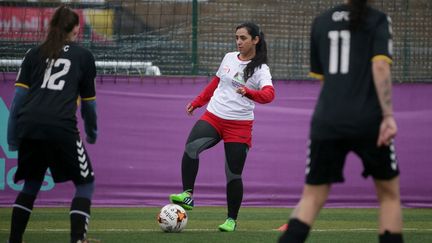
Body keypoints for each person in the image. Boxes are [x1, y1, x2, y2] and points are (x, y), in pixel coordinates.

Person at [278, 0, 403, 242]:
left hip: (328, 120)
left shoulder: (321, 22)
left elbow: (324, 78)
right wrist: (388, 116)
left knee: (311, 198)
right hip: (370, 122)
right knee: (389, 196)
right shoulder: (378, 19)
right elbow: (380, 67)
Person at [169, 22, 275, 232]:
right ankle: (187, 195)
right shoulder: (228, 57)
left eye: (243, 38)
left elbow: (269, 95)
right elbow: (215, 83)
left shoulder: (261, 69)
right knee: (191, 148)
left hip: (239, 126)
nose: (238, 42)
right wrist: (198, 102)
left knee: (233, 175)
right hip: (214, 117)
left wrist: (249, 92)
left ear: (255, 40)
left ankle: (231, 220)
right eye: (236, 37)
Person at [7, 5, 98, 243]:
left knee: (31, 185)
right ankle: (78, 239)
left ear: (52, 26)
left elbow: (17, 102)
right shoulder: (84, 56)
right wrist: (92, 132)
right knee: (85, 183)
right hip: (61, 126)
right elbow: (89, 105)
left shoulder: (33, 54)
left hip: (30, 126)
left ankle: (14, 240)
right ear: (76, 28)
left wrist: (12, 137)